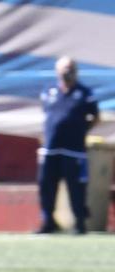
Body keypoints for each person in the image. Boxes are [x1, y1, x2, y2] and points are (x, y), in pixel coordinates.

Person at [37, 57, 101, 234]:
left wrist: (81, 130)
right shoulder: (49, 90)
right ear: (57, 70)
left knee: (76, 187)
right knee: (46, 185)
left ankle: (79, 223)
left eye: (70, 68)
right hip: (51, 148)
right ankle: (48, 221)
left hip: (73, 149)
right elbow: (46, 114)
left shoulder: (85, 93)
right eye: (63, 68)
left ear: (76, 70)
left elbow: (95, 117)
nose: (67, 72)